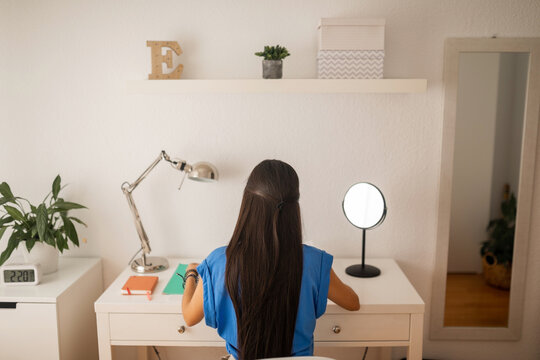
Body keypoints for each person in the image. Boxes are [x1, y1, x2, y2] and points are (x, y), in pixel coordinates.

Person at [182, 160, 359, 360]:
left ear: (248, 203)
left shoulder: (218, 262)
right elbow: (353, 303)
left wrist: (191, 274)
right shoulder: (314, 262)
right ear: (294, 208)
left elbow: (189, 317)